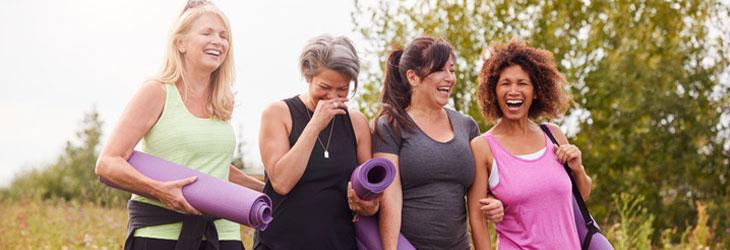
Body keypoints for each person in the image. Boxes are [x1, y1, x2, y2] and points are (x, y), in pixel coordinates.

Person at [94, 1, 263, 249]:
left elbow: (212, 167)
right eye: (207, 33)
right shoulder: (157, 91)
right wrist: (159, 190)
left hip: (223, 236)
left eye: (224, 36)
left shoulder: (221, 102)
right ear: (180, 43)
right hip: (162, 237)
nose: (218, 41)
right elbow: (108, 163)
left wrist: (266, 190)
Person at [372, 36, 503, 250]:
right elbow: (390, 200)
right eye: (440, 70)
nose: (450, 78)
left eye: (452, 70)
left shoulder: (466, 126)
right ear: (413, 77)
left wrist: (495, 203)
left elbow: (479, 196)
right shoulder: (390, 126)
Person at [254, 34, 378, 250]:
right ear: (307, 75)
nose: (333, 97)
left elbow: (372, 199)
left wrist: (366, 205)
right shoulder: (277, 114)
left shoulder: (356, 123)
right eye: (325, 87)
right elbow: (282, 182)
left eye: (342, 90)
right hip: (278, 244)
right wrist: (315, 125)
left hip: (339, 243)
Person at [469, 38, 593, 249]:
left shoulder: (553, 135)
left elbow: (581, 196)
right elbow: (477, 218)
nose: (513, 91)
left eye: (522, 83)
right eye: (505, 83)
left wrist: (577, 168)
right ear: (494, 91)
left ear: (536, 92)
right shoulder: (483, 147)